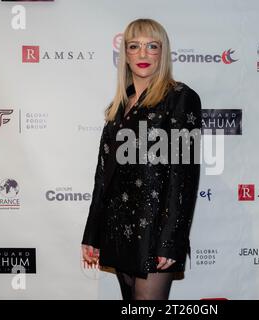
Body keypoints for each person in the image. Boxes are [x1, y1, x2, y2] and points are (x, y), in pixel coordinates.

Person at [81, 18, 202, 300]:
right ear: (125, 54)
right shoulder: (118, 106)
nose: (143, 54)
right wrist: (92, 234)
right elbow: (103, 176)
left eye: (152, 46)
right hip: (117, 224)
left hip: (155, 228)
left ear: (163, 52)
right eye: (134, 46)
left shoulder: (181, 98)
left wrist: (171, 240)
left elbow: (184, 175)